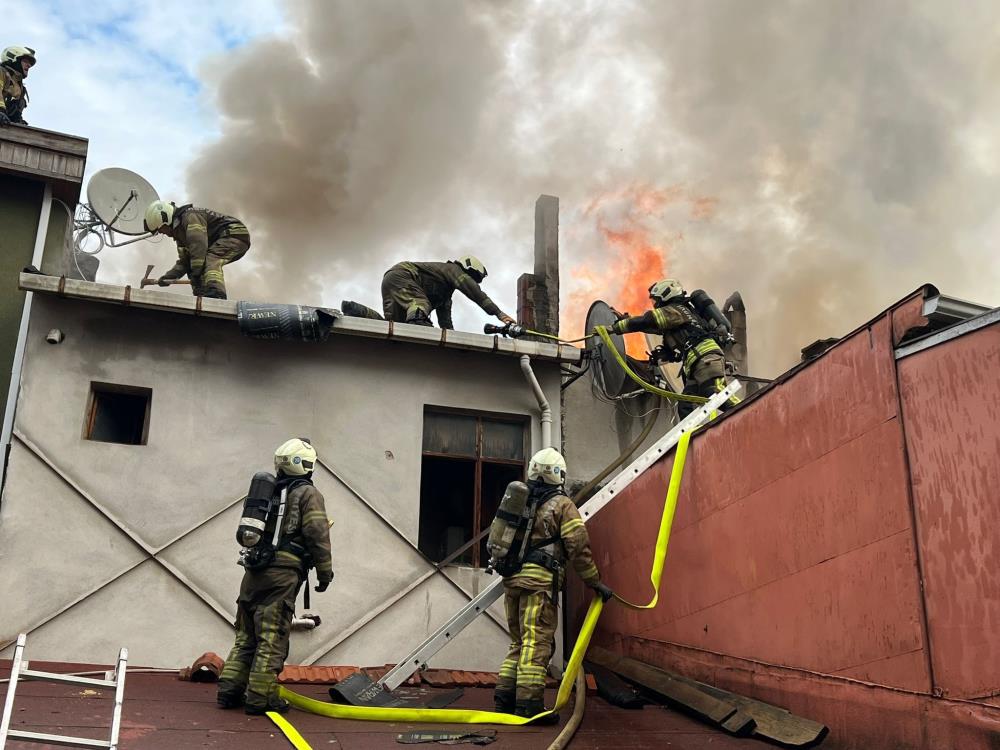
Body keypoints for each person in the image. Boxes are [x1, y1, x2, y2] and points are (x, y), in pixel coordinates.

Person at [493, 448, 613, 721]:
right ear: (558, 474)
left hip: (511, 580)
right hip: (539, 583)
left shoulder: (520, 501)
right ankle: (529, 706)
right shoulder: (561, 504)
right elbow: (578, 547)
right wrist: (595, 582)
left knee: (518, 642)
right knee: (537, 643)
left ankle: (504, 699)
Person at [216, 438, 334, 715]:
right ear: (306, 465)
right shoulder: (307, 494)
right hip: (281, 576)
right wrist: (325, 572)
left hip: (253, 573)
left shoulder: (268, 492)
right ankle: (259, 698)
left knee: (246, 635)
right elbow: (317, 533)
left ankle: (229, 690)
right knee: (272, 636)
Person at [610, 278, 740, 418]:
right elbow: (652, 328)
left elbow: (647, 321)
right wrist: (626, 319)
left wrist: (614, 328)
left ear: (666, 295)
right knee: (686, 406)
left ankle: (750, 410)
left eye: (656, 300)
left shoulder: (674, 310)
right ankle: (693, 438)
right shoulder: (677, 318)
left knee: (715, 391)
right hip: (696, 364)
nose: (655, 304)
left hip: (705, 358)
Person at [343, 256, 515, 328]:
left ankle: (357, 310)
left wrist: (453, 345)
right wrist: (498, 314)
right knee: (420, 304)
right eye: (475, 278)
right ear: (470, 270)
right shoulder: (453, 269)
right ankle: (418, 321)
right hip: (405, 275)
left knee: (393, 326)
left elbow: (445, 322)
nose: (474, 282)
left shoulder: (445, 296)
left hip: (393, 281)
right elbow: (474, 292)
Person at [143, 200, 251, 300]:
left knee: (211, 259)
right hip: (222, 239)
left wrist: (196, 274)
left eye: (161, 229)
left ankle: (216, 294)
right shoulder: (180, 234)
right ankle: (203, 296)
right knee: (194, 266)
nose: (163, 233)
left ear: (165, 219)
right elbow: (185, 261)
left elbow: (199, 246)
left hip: (234, 234)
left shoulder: (190, 217)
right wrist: (168, 277)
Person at [0, 46, 35, 126]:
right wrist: (1, 111)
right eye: (25, 61)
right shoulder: (2, 72)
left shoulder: (20, 87)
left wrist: (17, 120)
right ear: (12, 59)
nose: (29, 65)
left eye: (29, 63)